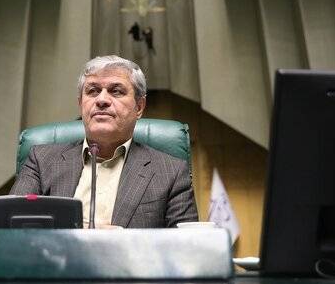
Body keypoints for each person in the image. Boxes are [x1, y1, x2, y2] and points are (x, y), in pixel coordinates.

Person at [10, 55, 198, 228]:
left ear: (139, 107)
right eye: (93, 91)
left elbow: (186, 246)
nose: (102, 100)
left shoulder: (171, 172)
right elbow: (10, 230)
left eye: (116, 91)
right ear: (81, 104)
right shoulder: (42, 161)